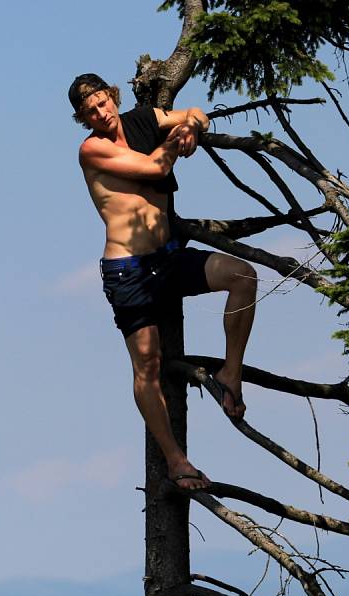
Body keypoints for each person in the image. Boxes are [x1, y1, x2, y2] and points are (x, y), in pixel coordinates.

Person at [69, 73, 256, 490]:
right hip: (129, 272)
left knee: (243, 275)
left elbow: (195, 113)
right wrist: (177, 138)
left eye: (102, 102)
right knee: (148, 367)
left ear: (112, 96)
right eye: (90, 111)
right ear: (83, 119)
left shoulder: (141, 120)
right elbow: (156, 165)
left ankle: (231, 373)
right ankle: (176, 461)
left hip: (169, 259)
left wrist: (189, 125)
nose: (101, 113)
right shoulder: (92, 150)